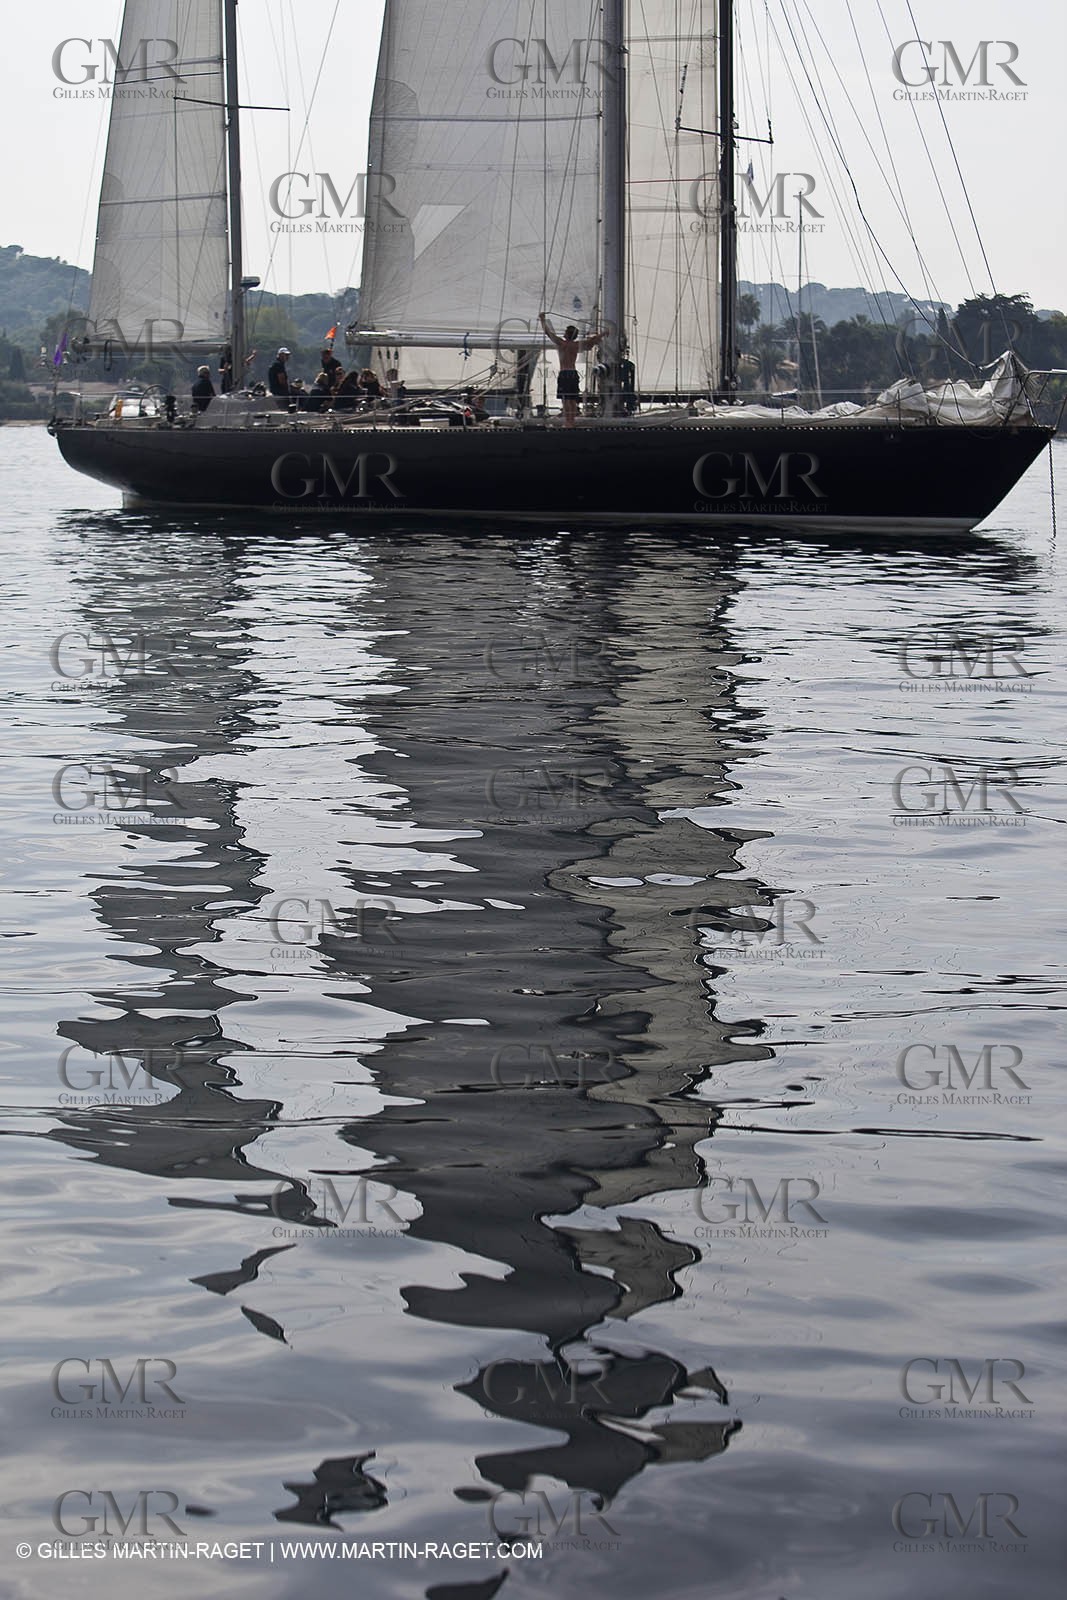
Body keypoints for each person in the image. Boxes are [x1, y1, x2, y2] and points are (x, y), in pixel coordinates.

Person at [538, 312, 603, 427]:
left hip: (565, 373)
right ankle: (571, 420)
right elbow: (592, 341)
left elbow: (548, 333)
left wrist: (543, 320)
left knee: (566, 399)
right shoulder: (577, 345)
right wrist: (603, 334)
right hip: (573, 373)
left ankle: (568, 422)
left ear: (567, 334)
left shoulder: (561, 344)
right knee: (572, 399)